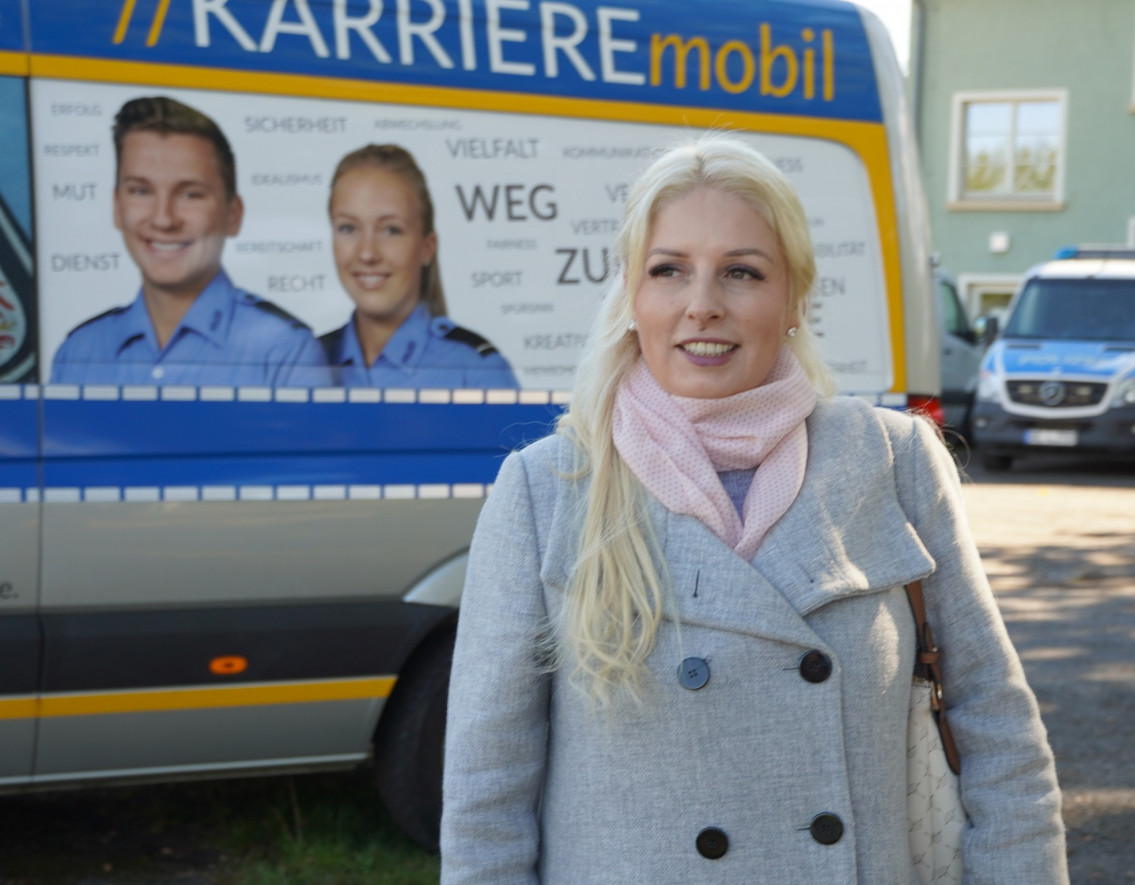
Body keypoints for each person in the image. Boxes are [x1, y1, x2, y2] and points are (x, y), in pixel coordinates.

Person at [440, 135, 1068, 883]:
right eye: (669, 270)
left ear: (794, 298)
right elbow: (486, 802)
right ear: (632, 298)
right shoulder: (548, 488)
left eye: (741, 272)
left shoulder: (894, 458)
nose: (702, 304)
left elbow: (998, 733)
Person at [51, 96, 330, 387]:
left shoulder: (283, 352)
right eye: (140, 191)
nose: (164, 219)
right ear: (117, 208)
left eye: (190, 195)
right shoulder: (79, 351)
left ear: (233, 215)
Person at [321, 144, 518, 388]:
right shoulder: (304, 360)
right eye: (348, 228)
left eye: (391, 230)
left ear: (427, 246)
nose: (367, 253)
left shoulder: (477, 370)